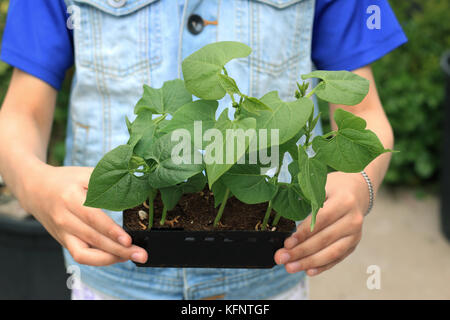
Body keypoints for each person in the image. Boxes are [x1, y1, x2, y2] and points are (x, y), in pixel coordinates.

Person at [0, 0, 407, 300]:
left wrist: (360, 186)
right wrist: (34, 183)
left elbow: (362, 109)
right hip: (115, 276)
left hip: (269, 276)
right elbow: (21, 113)